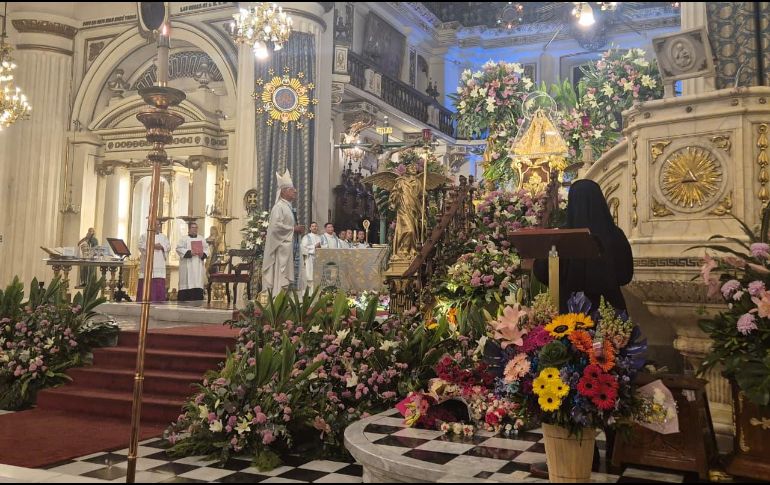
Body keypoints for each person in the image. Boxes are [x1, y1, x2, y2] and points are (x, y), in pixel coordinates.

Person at [533, 179, 633, 313]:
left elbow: (543, 273)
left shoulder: (560, 237)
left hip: (570, 311)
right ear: (599, 200)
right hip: (610, 311)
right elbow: (625, 275)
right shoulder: (615, 235)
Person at [262, 169, 305, 293]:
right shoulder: (279, 207)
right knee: (280, 280)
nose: (295, 191)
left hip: (289, 248)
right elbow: (275, 227)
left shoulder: (288, 207)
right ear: (284, 191)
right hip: (281, 252)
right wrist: (293, 229)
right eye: (292, 189)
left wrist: (296, 230)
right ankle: (277, 300)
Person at [137, 220, 171, 302]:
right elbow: (140, 246)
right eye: (155, 224)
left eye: (158, 224)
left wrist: (162, 247)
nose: (157, 226)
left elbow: (168, 247)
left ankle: (159, 301)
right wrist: (152, 245)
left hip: (159, 264)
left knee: (158, 284)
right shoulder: (144, 236)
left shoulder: (164, 237)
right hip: (148, 265)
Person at [177, 222, 208, 301]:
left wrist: (203, 254)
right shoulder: (183, 239)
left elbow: (207, 250)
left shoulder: (201, 239)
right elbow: (178, 249)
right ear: (189, 229)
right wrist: (189, 252)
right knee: (186, 284)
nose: (195, 229)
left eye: (196, 228)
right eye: (193, 228)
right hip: (187, 265)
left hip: (198, 265)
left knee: (197, 283)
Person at [301, 222, 322, 291]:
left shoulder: (320, 237)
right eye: (313, 226)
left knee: (319, 277)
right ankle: (309, 293)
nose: (314, 227)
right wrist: (314, 246)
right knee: (309, 276)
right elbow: (303, 248)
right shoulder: (306, 237)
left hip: (319, 259)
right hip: (310, 258)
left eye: (316, 226)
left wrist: (321, 246)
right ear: (310, 228)